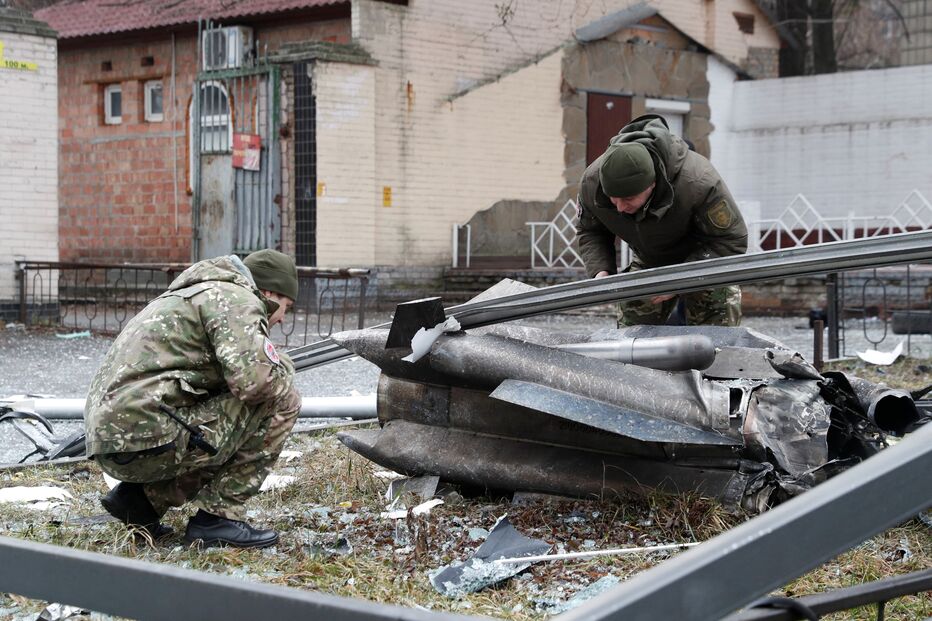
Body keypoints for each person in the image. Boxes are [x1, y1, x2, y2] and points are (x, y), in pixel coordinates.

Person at [84, 249, 302, 548]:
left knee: (228, 417)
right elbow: (255, 385)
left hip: (113, 439)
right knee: (282, 398)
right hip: (146, 436)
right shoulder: (237, 299)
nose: (281, 318)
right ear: (270, 292)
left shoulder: (196, 293)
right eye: (286, 306)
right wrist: (282, 365)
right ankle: (218, 518)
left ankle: (141, 502)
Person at [575, 114, 747, 327]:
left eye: (628, 199)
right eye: (613, 199)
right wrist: (601, 271)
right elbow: (590, 230)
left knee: (717, 342)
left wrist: (680, 280)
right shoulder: (592, 182)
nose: (619, 207)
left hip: (705, 263)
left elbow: (731, 240)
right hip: (650, 260)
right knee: (631, 338)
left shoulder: (699, 182)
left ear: (652, 184)